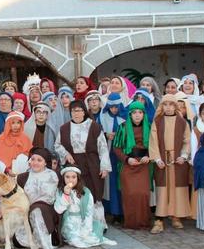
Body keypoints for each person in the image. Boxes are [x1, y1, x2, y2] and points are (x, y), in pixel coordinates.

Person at [149, 95, 191, 234]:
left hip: (177, 160)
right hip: (163, 159)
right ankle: (159, 219)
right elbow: (153, 141)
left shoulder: (182, 122)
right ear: (162, 106)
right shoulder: (157, 121)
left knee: (177, 189)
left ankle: (176, 216)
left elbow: (187, 141)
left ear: (175, 106)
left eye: (171, 104)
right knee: (162, 189)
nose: (168, 107)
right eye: (165, 104)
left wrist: (184, 156)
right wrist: (157, 158)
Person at [53, 100, 110, 203]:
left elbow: (103, 148)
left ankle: (93, 216)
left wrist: (104, 167)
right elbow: (57, 145)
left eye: (79, 111)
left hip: (91, 163)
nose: (76, 114)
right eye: (73, 111)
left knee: (92, 191)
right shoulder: (64, 128)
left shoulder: (94, 127)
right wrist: (66, 154)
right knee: (75, 191)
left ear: (84, 112)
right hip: (73, 164)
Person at [112, 101, 153, 230]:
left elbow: (155, 146)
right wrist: (127, 159)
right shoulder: (123, 127)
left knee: (143, 194)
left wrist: (149, 156)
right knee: (130, 193)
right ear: (130, 114)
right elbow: (116, 148)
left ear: (144, 114)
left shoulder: (150, 127)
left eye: (140, 112)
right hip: (128, 164)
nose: (137, 115)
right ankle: (131, 222)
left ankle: (143, 222)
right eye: (134, 112)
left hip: (144, 164)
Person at [55, 166, 116, 248]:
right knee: (76, 240)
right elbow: (58, 210)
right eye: (67, 177)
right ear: (63, 178)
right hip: (68, 223)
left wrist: (86, 229)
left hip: (82, 220)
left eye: (73, 177)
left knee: (90, 237)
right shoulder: (60, 191)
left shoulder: (86, 192)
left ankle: (95, 238)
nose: (70, 180)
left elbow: (89, 212)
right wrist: (66, 194)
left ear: (78, 178)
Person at [16, 148, 61, 249]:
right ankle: (38, 240)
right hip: (27, 211)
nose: (35, 162)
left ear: (46, 162)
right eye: (33, 159)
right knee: (18, 241)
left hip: (47, 211)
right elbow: (15, 195)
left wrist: (31, 206)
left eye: (39, 160)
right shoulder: (23, 177)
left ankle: (47, 242)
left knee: (37, 210)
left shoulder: (52, 175)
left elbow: (49, 197)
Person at [100, 92, 127, 222]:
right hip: (109, 153)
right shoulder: (102, 116)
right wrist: (106, 135)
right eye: (112, 107)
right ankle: (113, 211)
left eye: (116, 107)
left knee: (122, 182)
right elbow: (97, 132)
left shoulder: (125, 116)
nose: (114, 109)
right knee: (110, 183)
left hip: (122, 155)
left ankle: (123, 211)